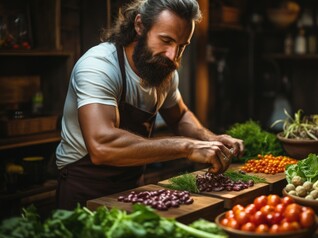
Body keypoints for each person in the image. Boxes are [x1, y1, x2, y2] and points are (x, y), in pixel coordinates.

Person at [55, 0, 244, 210]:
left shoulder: (164, 70)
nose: (173, 56)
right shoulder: (98, 66)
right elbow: (102, 146)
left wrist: (212, 139)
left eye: (182, 46)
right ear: (140, 25)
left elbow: (180, 117)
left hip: (131, 187)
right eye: (166, 40)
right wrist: (187, 146)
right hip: (84, 187)